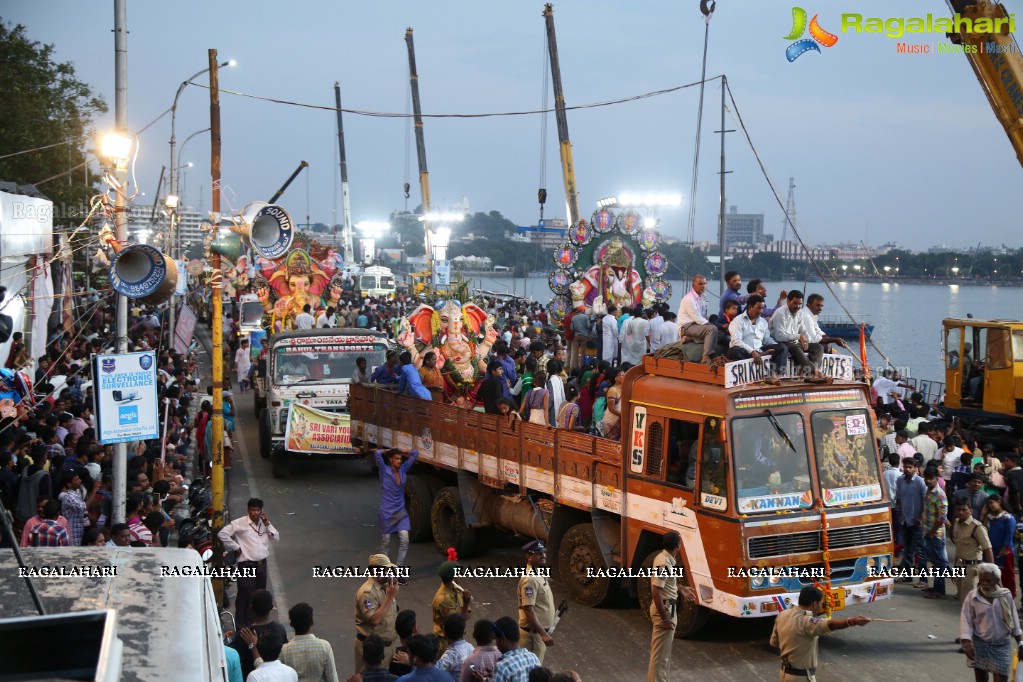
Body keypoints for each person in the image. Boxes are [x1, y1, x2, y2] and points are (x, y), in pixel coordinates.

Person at [770, 585, 870, 681]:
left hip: (784, 674)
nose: (821, 606)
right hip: (801, 678)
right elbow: (830, 624)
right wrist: (852, 621)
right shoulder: (806, 622)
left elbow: (774, 643)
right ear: (814, 604)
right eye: (821, 603)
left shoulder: (782, 615)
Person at [218, 498, 280, 627]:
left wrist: (268, 524)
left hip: (261, 564)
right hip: (247, 565)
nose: (255, 513)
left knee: (259, 596)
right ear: (248, 510)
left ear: (261, 511)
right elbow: (222, 534)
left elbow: (276, 537)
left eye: (258, 510)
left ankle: (256, 623)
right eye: (253, 510)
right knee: (245, 594)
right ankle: (241, 626)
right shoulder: (240, 523)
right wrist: (236, 547)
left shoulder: (264, 523)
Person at [647, 531, 696, 682]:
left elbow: (666, 583)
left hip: (668, 607)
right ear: (678, 545)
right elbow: (656, 591)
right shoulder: (664, 563)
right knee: (660, 657)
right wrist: (666, 618)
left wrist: (680, 588)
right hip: (666, 610)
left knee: (663, 656)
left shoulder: (664, 559)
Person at [961, 563, 1022, 682]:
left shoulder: (1006, 596)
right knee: (981, 678)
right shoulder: (972, 597)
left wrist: (1020, 643)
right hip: (980, 644)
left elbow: (1014, 620)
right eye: (982, 580)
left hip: (1001, 645)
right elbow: (966, 621)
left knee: (1001, 677)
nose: (984, 583)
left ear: (997, 580)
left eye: (988, 580)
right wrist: (967, 643)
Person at [354, 554, 401, 674]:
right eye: (385, 570)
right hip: (372, 651)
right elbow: (374, 620)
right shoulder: (367, 593)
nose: (388, 572)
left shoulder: (385, 588)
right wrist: (390, 597)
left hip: (388, 648)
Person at [375, 448, 419, 572]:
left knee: (405, 540)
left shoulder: (403, 469)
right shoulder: (384, 470)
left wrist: (404, 451)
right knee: (386, 542)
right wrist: (390, 450)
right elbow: (377, 453)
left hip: (400, 512)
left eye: (401, 459)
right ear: (390, 460)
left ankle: (398, 570)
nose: (400, 461)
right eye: (397, 458)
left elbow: (415, 453)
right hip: (386, 512)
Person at [726, 295, 789, 379]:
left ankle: (774, 375)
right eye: (758, 308)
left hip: (759, 349)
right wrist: (752, 351)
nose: (761, 311)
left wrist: (776, 347)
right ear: (750, 306)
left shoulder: (763, 322)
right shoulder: (738, 320)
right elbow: (736, 341)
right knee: (734, 351)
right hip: (744, 351)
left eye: (762, 308)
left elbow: (767, 340)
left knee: (782, 347)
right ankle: (760, 355)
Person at [235, 590, 290, 680]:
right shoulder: (279, 629)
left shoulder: (243, 635)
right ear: (271, 608)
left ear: (251, 608)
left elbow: (238, 664)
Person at [279, 603, 339, 682]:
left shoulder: (284, 650)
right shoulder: (324, 646)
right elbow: (332, 678)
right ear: (312, 622)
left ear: (291, 624)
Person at [952, 498, 995, 610]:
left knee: (970, 600)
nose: (961, 512)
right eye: (958, 510)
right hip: (959, 565)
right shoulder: (956, 523)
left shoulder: (977, 527)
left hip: (972, 568)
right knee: (962, 599)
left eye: (964, 509)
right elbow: (958, 547)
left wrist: (992, 572)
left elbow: (987, 549)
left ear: (970, 510)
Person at [768, 290, 823, 377]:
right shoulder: (780, 313)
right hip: (781, 343)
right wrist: (799, 336)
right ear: (788, 301)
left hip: (795, 343)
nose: (797, 306)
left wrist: (808, 341)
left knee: (818, 347)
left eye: (800, 304)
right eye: (795, 303)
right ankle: (813, 373)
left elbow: (803, 331)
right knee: (794, 347)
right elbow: (779, 337)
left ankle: (809, 371)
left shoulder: (799, 313)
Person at [517, 540, 555, 664]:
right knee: (532, 672)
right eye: (538, 553)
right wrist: (543, 634)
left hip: (538, 633)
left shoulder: (537, 572)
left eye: (543, 552)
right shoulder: (530, 580)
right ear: (529, 557)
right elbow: (528, 609)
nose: (543, 555)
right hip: (533, 636)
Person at [433, 553, 472, 654]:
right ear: (453, 577)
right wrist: (466, 603)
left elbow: (468, 614)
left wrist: (464, 613)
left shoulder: (456, 590)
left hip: (457, 638)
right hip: (447, 642)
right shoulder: (443, 599)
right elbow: (458, 623)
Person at [920, 469, 950, 598]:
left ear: (936, 479)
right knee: (934, 561)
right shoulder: (928, 491)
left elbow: (942, 518)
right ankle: (936, 587)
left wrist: (931, 532)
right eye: (926, 478)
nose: (927, 481)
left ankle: (940, 590)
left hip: (935, 534)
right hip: (927, 531)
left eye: (930, 478)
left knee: (939, 562)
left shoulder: (939, 494)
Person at [677, 274, 719, 364]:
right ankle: (706, 356)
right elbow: (698, 318)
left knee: (718, 332)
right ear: (693, 285)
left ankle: (691, 338)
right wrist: (712, 326)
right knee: (712, 330)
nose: (703, 286)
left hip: (697, 326)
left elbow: (703, 316)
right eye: (700, 284)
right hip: (687, 327)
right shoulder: (688, 299)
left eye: (704, 283)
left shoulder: (703, 297)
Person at [895, 459, 927, 579]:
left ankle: (923, 579)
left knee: (919, 550)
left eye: (910, 467)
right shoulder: (900, 480)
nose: (907, 469)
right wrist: (901, 513)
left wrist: (920, 517)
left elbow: (925, 501)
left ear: (915, 468)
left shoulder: (920, 482)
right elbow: (899, 498)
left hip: (917, 521)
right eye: (905, 467)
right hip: (905, 520)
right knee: (907, 548)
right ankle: (908, 575)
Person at [985, 495, 1018, 599]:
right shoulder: (990, 517)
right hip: (992, 549)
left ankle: (1009, 596)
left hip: (1004, 551)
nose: (990, 506)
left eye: (992, 503)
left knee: (1006, 575)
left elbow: (1009, 535)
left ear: (999, 501)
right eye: (988, 504)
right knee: (990, 573)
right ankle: (992, 594)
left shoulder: (1008, 518)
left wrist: (1004, 548)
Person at [493, 616, 540, 682]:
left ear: (503, 639)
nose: (496, 645)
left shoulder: (502, 667)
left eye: (496, 639)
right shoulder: (534, 658)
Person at [436, 614, 474, 681]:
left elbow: (434, 673)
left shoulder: (449, 655)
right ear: (464, 631)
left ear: (444, 633)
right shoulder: (471, 647)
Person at [601, 369, 624, 440]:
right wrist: (622, 415)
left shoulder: (622, 388)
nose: (624, 376)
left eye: (624, 374)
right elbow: (611, 408)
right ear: (615, 378)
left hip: (618, 420)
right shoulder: (613, 390)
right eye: (621, 375)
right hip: (611, 421)